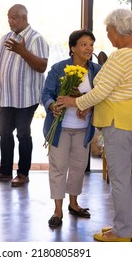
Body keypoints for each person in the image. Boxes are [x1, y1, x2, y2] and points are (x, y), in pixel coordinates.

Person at [55, 9, 132, 241]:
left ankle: (122, 232)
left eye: (108, 31)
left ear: (117, 29)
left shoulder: (122, 55)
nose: (108, 37)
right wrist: (85, 103)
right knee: (123, 177)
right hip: (129, 120)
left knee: (119, 178)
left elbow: (101, 90)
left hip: (120, 123)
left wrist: (74, 101)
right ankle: (122, 226)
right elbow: (110, 89)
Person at [0, 4, 49, 187]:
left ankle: (23, 173)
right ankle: (5, 171)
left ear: (24, 17)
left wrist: (23, 51)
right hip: (7, 97)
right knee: (4, 132)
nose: (10, 21)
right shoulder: (6, 38)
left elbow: (42, 66)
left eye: (13, 17)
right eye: (8, 17)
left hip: (26, 97)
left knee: (22, 133)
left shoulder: (36, 39)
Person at [42, 30, 101, 228]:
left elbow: (101, 97)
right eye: (84, 44)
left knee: (77, 168)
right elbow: (46, 94)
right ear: (73, 48)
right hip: (60, 128)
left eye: (91, 44)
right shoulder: (59, 69)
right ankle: (57, 210)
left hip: (84, 129)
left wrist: (89, 106)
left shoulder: (97, 70)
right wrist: (53, 106)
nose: (88, 48)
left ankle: (73, 204)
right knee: (58, 168)